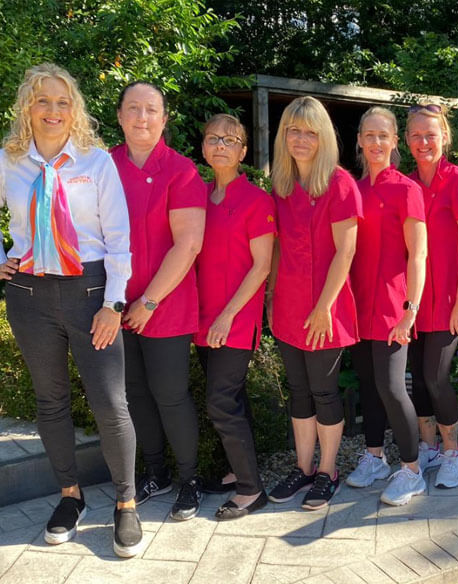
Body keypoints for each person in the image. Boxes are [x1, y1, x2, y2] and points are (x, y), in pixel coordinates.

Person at [0, 63, 143, 557]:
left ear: (75, 110)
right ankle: (71, 496)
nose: (52, 111)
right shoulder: (7, 161)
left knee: (111, 404)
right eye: (43, 101)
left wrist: (114, 302)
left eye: (62, 102)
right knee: (50, 403)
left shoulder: (95, 162)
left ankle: (126, 504)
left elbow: (118, 240)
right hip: (29, 295)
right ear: (28, 106)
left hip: (90, 294)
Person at [111, 82, 207, 521]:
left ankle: (189, 479)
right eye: (133, 109)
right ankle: (156, 472)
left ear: (164, 119)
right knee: (133, 395)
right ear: (120, 116)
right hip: (113, 303)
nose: (142, 117)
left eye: (151, 110)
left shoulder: (182, 171)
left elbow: (187, 244)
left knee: (169, 395)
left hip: (164, 303)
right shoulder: (102, 166)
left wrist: (148, 301)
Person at [266, 96, 362, 510]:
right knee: (299, 391)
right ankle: (303, 470)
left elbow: (346, 252)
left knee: (324, 393)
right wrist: (270, 298)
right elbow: (275, 250)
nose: (301, 139)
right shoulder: (281, 186)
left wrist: (324, 306)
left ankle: (328, 471)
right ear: (284, 136)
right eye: (294, 130)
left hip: (327, 308)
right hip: (288, 306)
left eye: (310, 131)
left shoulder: (340, 184)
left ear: (323, 137)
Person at [194, 114, 276, 519]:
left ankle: (250, 489)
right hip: (200, 318)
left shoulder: (256, 201)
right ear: (203, 146)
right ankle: (235, 471)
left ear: (244, 151)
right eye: (213, 139)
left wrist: (226, 317)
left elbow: (261, 267)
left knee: (220, 402)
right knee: (233, 399)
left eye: (231, 140)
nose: (221, 145)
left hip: (234, 319)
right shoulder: (197, 196)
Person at [346, 107, 428, 505]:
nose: (376, 142)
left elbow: (418, 255)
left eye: (384, 136)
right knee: (368, 386)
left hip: (394, 305)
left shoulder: (407, 189)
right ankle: (375, 456)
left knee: (393, 388)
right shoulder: (353, 190)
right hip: (357, 305)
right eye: (369, 135)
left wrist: (411, 308)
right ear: (359, 140)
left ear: (395, 142)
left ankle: (412, 471)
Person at [405, 103, 458, 488]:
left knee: (436, 377)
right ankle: (428, 445)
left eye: (430, 135)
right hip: (413, 301)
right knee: (416, 377)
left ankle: (453, 451)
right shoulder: (406, 185)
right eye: (416, 135)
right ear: (406, 140)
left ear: (444, 137)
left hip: (449, 301)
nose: (424, 142)